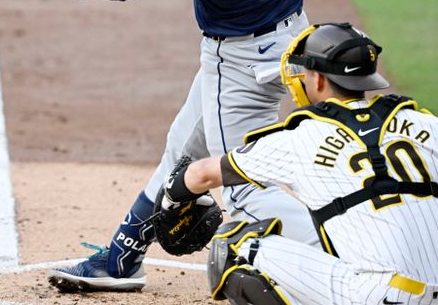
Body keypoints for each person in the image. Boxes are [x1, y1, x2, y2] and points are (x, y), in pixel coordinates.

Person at [0, 0, 319, 292]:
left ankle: (345, 265)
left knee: (245, 191)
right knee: (182, 148)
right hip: (292, 37)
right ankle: (121, 259)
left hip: (241, 65)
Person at [160, 22, 438, 304]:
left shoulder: (301, 138)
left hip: (373, 296)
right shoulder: (425, 123)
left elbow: (201, 174)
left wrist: (173, 199)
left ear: (318, 80)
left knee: (234, 248)